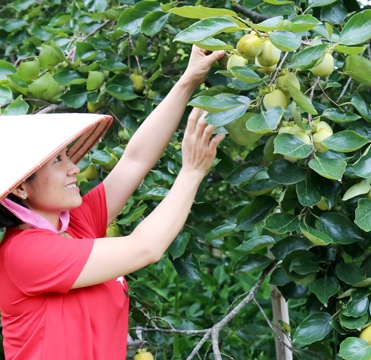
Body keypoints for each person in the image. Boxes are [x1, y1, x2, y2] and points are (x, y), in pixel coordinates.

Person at [0, 46, 226, 359]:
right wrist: (192, 171)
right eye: (57, 162)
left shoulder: (76, 223)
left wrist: (187, 81)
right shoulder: (25, 253)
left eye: (69, 156)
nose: (74, 168)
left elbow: (134, 160)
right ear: (22, 187)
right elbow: (146, 247)